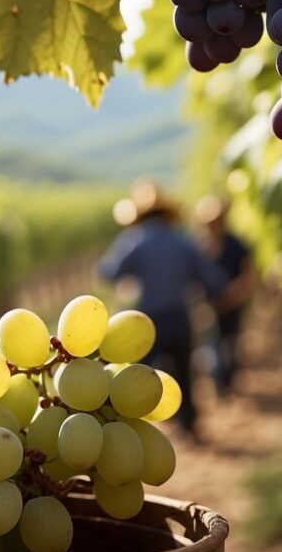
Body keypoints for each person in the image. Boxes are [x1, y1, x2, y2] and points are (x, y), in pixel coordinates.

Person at [97, 182, 226, 438]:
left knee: (136, 379)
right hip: (180, 318)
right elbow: (211, 280)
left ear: (140, 215)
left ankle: (131, 430)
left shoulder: (134, 240)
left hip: (147, 322)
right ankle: (189, 423)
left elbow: (109, 273)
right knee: (184, 375)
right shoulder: (183, 241)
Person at [194, 195, 254, 396]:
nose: (212, 225)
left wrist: (235, 293)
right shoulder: (199, 247)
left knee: (230, 343)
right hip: (209, 306)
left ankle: (227, 382)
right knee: (211, 345)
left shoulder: (235, 244)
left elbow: (247, 272)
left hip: (232, 304)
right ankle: (219, 384)